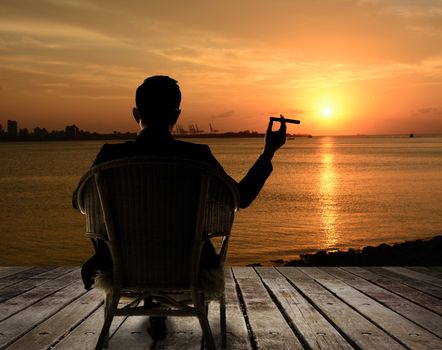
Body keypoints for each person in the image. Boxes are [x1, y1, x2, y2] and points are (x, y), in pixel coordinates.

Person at [73, 75, 286, 340]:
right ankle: (162, 311)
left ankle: (156, 311)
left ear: (135, 113)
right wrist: (268, 152)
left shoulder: (109, 156)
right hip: (190, 266)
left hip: (122, 267)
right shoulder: (197, 156)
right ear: (177, 114)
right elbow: (240, 198)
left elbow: (78, 202)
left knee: (138, 236)